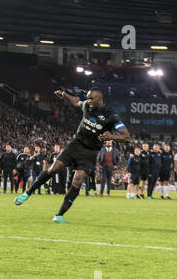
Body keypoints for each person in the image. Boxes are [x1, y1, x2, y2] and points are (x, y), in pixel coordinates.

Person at [14, 88, 131, 223]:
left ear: (99, 99)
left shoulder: (111, 115)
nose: (89, 100)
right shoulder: (87, 105)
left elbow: (126, 137)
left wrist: (111, 136)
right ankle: (27, 193)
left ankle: (59, 215)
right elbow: (76, 102)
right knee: (54, 168)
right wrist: (64, 95)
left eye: (91, 98)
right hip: (75, 145)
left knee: (78, 179)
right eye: (88, 98)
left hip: (90, 152)